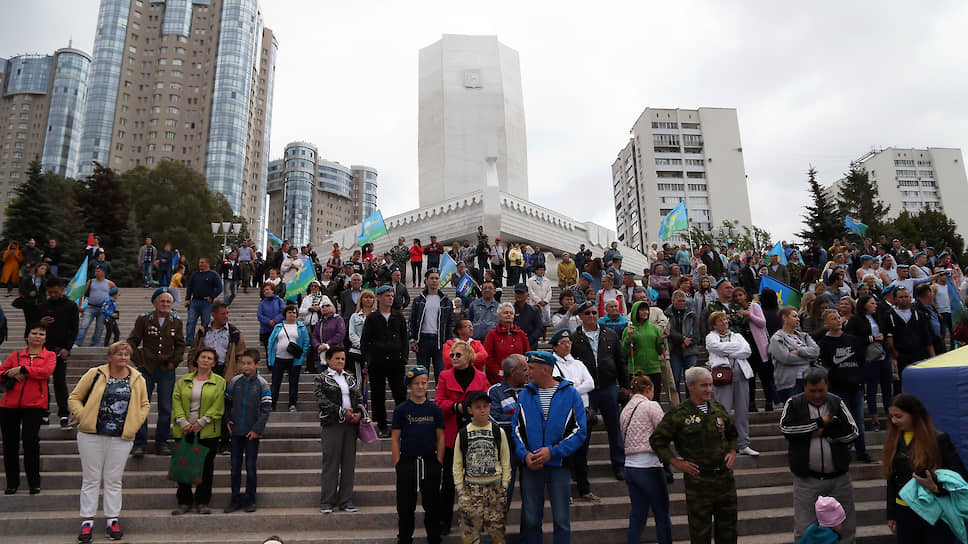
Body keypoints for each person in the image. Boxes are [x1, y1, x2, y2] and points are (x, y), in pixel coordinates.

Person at [68, 341, 150, 542]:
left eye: (126, 354)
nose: (123, 357)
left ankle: (112, 520)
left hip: (121, 436)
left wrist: (134, 423)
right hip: (91, 435)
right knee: (91, 478)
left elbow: (144, 404)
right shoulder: (95, 373)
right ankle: (87, 522)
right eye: (119, 354)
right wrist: (84, 415)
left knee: (113, 479)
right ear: (110, 357)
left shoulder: (137, 378)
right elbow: (75, 397)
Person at [651, 366, 739, 544]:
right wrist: (676, 462)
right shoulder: (678, 414)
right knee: (700, 533)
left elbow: (732, 433)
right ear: (691, 387)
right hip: (699, 482)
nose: (708, 390)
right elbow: (657, 440)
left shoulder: (718, 408)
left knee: (728, 531)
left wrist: (732, 451)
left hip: (724, 480)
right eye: (703, 385)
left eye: (710, 385)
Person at [513, 351, 588, 544]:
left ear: (545, 369)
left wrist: (552, 452)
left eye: (531, 368)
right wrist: (525, 455)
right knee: (530, 520)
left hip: (559, 466)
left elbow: (579, 431)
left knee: (562, 520)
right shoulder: (525, 395)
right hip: (531, 466)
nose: (527, 372)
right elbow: (516, 430)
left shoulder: (571, 394)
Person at [780, 367, 860, 543]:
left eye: (821, 391)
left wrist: (825, 432)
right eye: (812, 391)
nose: (817, 395)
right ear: (804, 388)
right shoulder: (794, 403)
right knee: (805, 527)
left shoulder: (836, 402)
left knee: (846, 529)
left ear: (827, 387)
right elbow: (787, 429)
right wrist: (817, 423)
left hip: (839, 478)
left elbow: (853, 432)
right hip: (807, 479)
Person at [883, 393, 968, 542]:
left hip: (933, 510)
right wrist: (891, 514)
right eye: (891, 416)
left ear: (914, 415)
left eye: (899, 416)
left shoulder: (939, 439)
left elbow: (960, 477)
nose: (894, 421)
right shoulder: (894, 440)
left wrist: (935, 486)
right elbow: (891, 479)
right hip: (904, 510)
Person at [435, 341, 491, 535]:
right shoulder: (444, 376)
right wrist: (456, 407)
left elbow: (486, 402)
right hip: (452, 434)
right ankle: (444, 521)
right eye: (452, 356)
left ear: (468, 356)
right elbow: (439, 402)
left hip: (475, 435)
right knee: (449, 481)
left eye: (458, 355)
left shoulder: (482, 377)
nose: (454, 358)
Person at [570, 299, 629, 481]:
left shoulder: (610, 334)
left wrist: (625, 385)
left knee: (614, 428)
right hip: (586, 391)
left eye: (594, 313)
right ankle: (580, 469)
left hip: (609, 386)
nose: (592, 316)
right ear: (581, 316)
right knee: (583, 429)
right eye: (587, 313)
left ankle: (619, 465)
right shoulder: (573, 338)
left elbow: (620, 361)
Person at [127, 288, 185, 456]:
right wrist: (139, 361)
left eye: (168, 301)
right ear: (155, 302)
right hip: (147, 367)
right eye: (162, 301)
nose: (165, 304)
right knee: (142, 405)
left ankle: (162, 442)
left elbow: (181, 344)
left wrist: (174, 362)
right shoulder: (144, 319)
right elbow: (132, 341)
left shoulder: (176, 321)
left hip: (166, 369)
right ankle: (139, 443)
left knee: (166, 407)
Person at [0, 323, 56, 495]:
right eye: (34, 333)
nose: (37, 336)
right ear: (27, 336)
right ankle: (12, 483)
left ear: (45, 338)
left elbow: (45, 372)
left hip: (34, 405)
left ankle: (34, 482)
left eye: (41, 334)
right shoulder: (16, 355)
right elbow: (2, 372)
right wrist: (9, 373)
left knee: (31, 442)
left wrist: (24, 369)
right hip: (9, 404)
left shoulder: (50, 355)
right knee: (9, 445)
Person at [392, 365, 446, 544]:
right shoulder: (401, 409)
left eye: (424, 383)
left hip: (430, 462)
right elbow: (395, 438)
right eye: (416, 383)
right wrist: (398, 463)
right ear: (410, 386)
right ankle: (405, 538)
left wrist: (438, 461)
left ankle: (434, 537)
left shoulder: (434, 409)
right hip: (408, 462)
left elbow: (440, 437)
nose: (421, 387)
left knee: (432, 505)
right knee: (405, 507)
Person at [170, 347, 226, 515]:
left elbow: (218, 405)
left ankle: (202, 501)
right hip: (185, 429)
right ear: (197, 359)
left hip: (208, 430)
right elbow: (176, 400)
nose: (205, 360)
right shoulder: (184, 380)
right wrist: (182, 422)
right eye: (203, 357)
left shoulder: (219, 382)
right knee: (183, 467)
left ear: (214, 363)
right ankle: (184, 501)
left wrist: (202, 422)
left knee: (206, 468)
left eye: (210, 358)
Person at [621, 372, 672, 544]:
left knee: (638, 514)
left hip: (629, 466)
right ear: (649, 389)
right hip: (650, 465)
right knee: (662, 515)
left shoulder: (625, 410)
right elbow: (664, 431)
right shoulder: (651, 406)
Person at [454, 389, 511, 544]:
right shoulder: (463, 433)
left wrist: (504, 484)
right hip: (471, 490)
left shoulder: (498, 432)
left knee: (497, 534)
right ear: (470, 410)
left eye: (485, 406)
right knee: (471, 536)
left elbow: (505, 459)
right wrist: (460, 488)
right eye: (478, 407)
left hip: (495, 489)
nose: (482, 410)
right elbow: (457, 463)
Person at [817, 309, 873, 464]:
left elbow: (862, 360)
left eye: (838, 317)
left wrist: (861, 378)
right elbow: (825, 367)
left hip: (856, 387)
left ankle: (862, 451)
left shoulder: (852, 340)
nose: (837, 320)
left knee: (859, 421)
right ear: (826, 324)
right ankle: (844, 452)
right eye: (833, 319)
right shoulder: (824, 343)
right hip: (839, 389)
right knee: (843, 421)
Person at [548, 329, 597, 501]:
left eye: (569, 342)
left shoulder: (578, 364)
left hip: (582, 412)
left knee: (582, 452)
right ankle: (564, 491)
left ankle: (584, 488)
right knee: (566, 453)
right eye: (563, 343)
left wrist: (574, 387)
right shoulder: (553, 365)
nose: (567, 345)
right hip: (566, 415)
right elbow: (559, 386)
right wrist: (577, 386)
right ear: (555, 346)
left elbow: (590, 383)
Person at [315, 346, 364, 514]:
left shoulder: (350, 378)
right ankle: (327, 501)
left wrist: (358, 413)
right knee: (331, 463)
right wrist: (343, 412)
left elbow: (359, 397)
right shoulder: (321, 378)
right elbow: (322, 401)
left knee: (349, 463)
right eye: (337, 358)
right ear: (328, 360)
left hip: (351, 425)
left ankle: (346, 500)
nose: (340, 361)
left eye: (343, 359)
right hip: (332, 424)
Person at [222, 348, 271, 514]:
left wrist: (257, 429)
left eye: (249, 363)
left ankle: (250, 499)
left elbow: (266, 409)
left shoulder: (262, 384)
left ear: (257, 364)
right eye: (243, 363)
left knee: (250, 466)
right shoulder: (235, 381)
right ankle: (235, 498)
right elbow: (227, 403)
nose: (245, 366)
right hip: (236, 431)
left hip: (252, 433)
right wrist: (227, 420)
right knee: (235, 466)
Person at [706, 311, 760, 457]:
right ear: (714, 324)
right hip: (722, 377)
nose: (724, 322)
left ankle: (743, 444)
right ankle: (722, 444)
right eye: (720, 320)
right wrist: (735, 349)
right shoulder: (710, 337)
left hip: (741, 375)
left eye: (725, 319)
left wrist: (727, 352)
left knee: (742, 411)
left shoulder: (737, 336)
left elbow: (747, 351)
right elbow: (715, 348)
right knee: (722, 412)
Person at [361, 285, 409, 437]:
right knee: (378, 395)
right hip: (377, 362)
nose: (390, 298)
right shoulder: (372, 318)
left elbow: (404, 339)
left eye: (391, 295)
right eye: (387, 295)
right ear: (379, 297)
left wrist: (404, 357)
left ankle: (402, 425)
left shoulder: (398, 316)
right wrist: (368, 359)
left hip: (396, 362)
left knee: (400, 393)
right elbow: (365, 341)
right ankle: (382, 425)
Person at [36, 277, 79, 429]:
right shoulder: (43, 306)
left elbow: (74, 329)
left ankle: (63, 414)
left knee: (60, 382)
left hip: (61, 350)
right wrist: (41, 323)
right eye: (50, 292)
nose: (52, 294)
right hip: (43, 350)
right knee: (42, 382)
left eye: (55, 292)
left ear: (62, 290)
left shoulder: (71, 306)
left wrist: (67, 348)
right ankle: (43, 412)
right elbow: (33, 328)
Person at [846, 295, 892, 431]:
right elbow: (851, 339)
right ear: (864, 305)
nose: (875, 305)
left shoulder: (878, 317)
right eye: (872, 303)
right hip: (869, 359)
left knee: (887, 388)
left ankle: (890, 416)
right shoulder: (855, 320)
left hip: (883, 356)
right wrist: (871, 338)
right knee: (871, 389)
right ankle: (874, 418)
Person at [732, 286, 775, 412]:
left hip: (759, 348)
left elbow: (762, 323)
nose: (738, 298)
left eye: (740, 295)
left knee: (765, 378)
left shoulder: (754, 306)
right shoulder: (735, 310)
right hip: (746, 349)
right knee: (749, 378)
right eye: (736, 296)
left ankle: (769, 403)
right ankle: (751, 404)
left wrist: (749, 315)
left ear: (745, 295)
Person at [885, 286, 935, 391]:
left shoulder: (919, 314)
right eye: (901, 297)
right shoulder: (889, 315)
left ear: (910, 297)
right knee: (902, 385)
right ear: (895, 299)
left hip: (919, 354)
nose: (904, 299)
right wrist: (895, 355)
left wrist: (932, 357)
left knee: (921, 384)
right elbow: (889, 337)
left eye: (906, 296)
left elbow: (927, 337)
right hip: (902, 355)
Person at [770, 306, 821, 405]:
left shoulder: (804, 336)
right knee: (796, 413)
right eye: (794, 316)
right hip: (790, 383)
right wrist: (808, 358)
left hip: (808, 380)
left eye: (798, 316)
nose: (798, 319)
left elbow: (816, 351)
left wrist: (799, 351)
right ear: (784, 318)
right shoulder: (776, 338)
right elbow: (786, 358)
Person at [409, 269, 454, 382]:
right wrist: (412, 339)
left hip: (439, 342)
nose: (434, 281)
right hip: (423, 341)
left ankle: (440, 400)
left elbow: (450, 323)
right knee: (422, 375)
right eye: (432, 278)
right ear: (426, 281)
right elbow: (412, 321)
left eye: (436, 278)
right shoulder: (419, 300)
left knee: (441, 375)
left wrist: (449, 342)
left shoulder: (446, 301)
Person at [266, 304, 310, 412]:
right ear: (285, 314)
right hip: (278, 358)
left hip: (294, 360)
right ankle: (272, 404)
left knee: (293, 382)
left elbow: (306, 342)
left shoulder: (301, 327)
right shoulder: (278, 326)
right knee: (275, 382)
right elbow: (271, 342)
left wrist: (301, 356)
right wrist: (270, 357)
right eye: (289, 312)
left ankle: (292, 404)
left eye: (294, 312)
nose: (292, 314)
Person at [622, 300, 664, 400]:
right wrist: (629, 339)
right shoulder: (628, 330)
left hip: (654, 369)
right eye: (642, 310)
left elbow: (660, 351)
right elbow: (625, 352)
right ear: (636, 312)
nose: (645, 312)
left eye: (646, 309)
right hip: (637, 370)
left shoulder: (655, 329)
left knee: (654, 398)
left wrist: (662, 342)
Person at [666, 290, 699, 398]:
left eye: (683, 301)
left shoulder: (692, 314)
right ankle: (677, 404)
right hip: (675, 350)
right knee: (675, 379)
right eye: (679, 301)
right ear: (673, 301)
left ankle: (691, 403)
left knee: (691, 380)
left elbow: (697, 333)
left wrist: (688, 341)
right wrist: (682, 339)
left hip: (690, 350)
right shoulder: (667, 314)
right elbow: (669, 331)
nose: (681, 303)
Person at [184, 257, 223, 346]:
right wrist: (187, 298)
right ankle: (189, 341)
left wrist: (212, 297)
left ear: (207, 264)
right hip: (195, 301)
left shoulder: (213, 274)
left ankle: (205, 340)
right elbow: (189, 287)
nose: (200, 264)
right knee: (191, 321)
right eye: (199, 262)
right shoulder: (195, 274)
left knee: (205, 322)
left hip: (206, 303)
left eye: (202, 262)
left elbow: (219, 288)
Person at [75, 266, 117, 347]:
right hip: (90, 307)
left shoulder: (109, 283)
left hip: (103, 309)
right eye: (96, 271)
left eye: (98, 271)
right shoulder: (91, 281)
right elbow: (83, 294)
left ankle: (95, 344)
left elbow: (116, 293)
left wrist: (111, 306)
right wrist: (80, 305)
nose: (96, 272)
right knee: (84, 325)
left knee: (99, 328)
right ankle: (77, 343)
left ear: (103, 272)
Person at [310, 295, 345, 376]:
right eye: (322, 306)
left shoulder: (338, 319)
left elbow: (340, 334)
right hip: (322, 353)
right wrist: (317, 345)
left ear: (333, 308)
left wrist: (327, 344)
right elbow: (314, 336)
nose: (324, 307)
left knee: (335, 378)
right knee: (322, 378)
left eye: (327, 305)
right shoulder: (320, 322)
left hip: (336, 353)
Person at [17, 262, 47, 338]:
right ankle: (27, 336)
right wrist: (28, 293)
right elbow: (21, 289)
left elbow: (45, 289)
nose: (43, 270)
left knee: (38, 321)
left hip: (40, 302)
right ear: (37, 268)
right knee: (29, 321)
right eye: (42, 268)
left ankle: (36, 335)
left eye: (45, 269)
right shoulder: (29, 278)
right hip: (29, 303)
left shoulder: (44, 279)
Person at [511, 283, 543, 348]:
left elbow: (539, 329)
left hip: (531, 345)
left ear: (527, 295)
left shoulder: (534, 311)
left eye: (521, 293)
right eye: (517, 293)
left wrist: (528, 340)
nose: (519, 295)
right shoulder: (510, 311)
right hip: (513, 345)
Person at [257, 283, 285, 347]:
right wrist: (268, 321)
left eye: (267, 290)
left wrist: (275, 320)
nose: (266, 292)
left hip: (278, 330)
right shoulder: (262, 303)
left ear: (273, 290)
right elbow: (259, 315)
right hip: (265, 331)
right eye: (264, 291)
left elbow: (283, 312)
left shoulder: (279, 301)